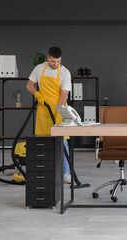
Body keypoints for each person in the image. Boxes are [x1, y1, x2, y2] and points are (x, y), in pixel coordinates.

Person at [26, 46, 72, 184]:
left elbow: (64, 94)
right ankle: (42, 170)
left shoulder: (65, 72)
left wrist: (59, 112)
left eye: (58, 61)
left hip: (59, 110)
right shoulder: (39, 68)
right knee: (41, 142)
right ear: (48, 57)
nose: (55, 64)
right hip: (43, 110)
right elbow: (29, 85)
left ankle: (66, 173)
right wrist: (37, 94)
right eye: (53, 61)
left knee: (62, 142)